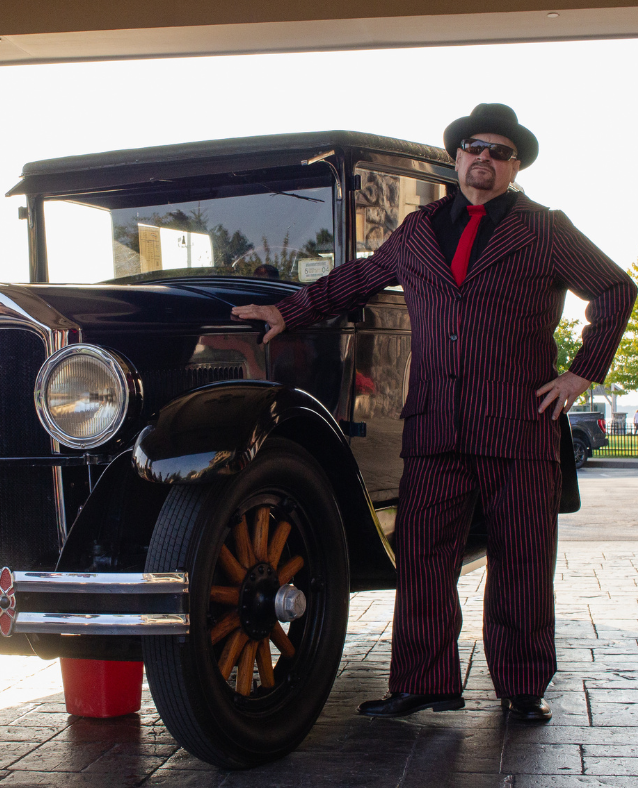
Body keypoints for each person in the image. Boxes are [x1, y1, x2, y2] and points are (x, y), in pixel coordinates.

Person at [232, 103, 636, 723]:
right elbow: (362, 277)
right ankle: (424, 681)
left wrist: (583, 371)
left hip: (517, 424)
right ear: (457, 156)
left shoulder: (545, 228)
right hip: (435, 424)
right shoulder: (418, 229)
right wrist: (290, 310)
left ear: (515, 165)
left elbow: (614, 288)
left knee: (522, 559)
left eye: (501, 152)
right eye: (476, 147)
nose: (486, 159)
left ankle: (523, 687)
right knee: (422, 558)